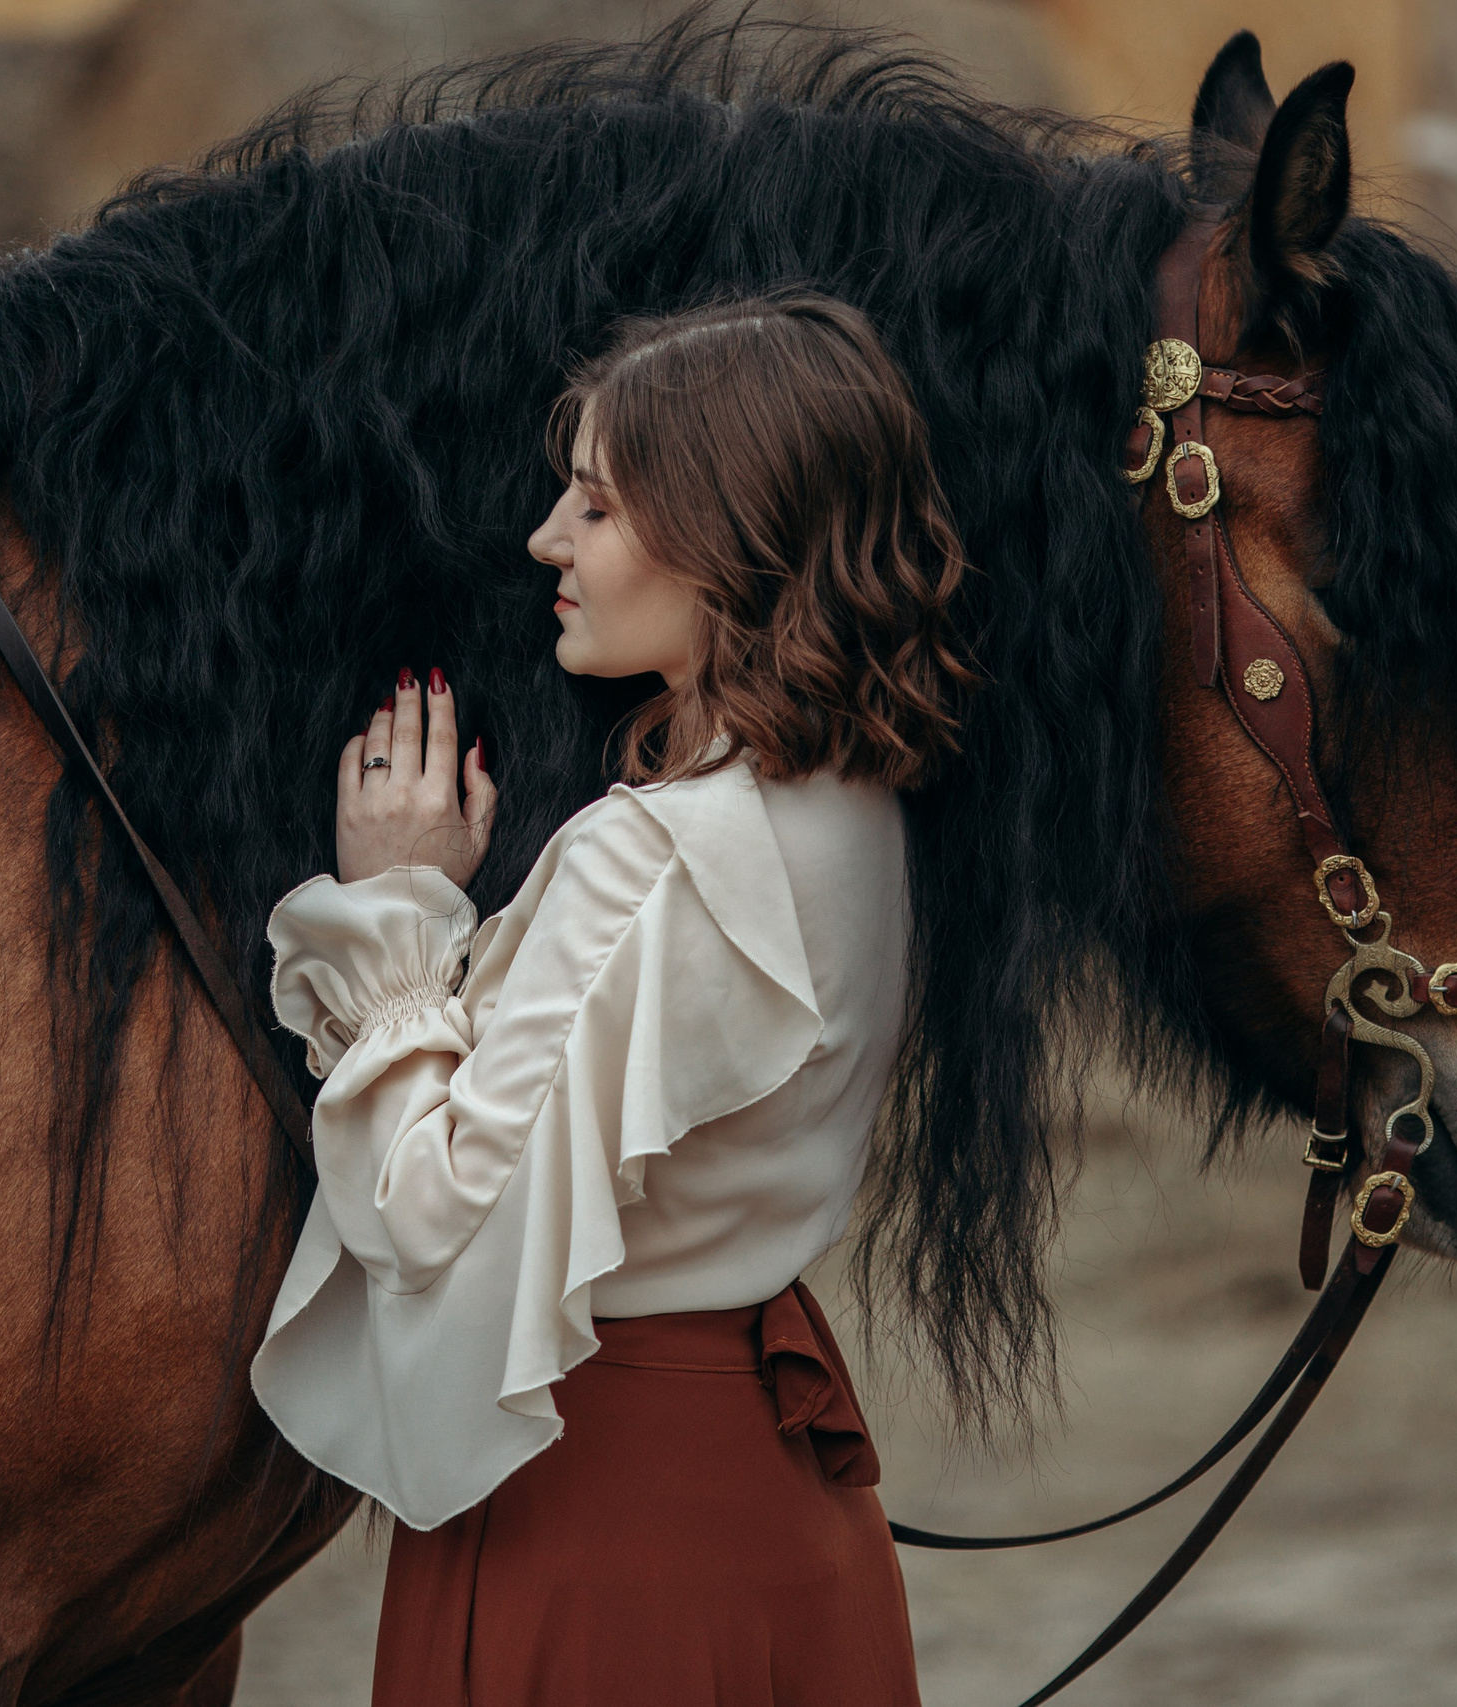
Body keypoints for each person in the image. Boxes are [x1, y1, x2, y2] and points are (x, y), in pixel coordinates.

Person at [252, 292, 974, 1705]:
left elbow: (426, 1217)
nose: (546, 539)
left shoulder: (649, 857)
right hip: (777, 1506)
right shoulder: (862, 811)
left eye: (594, 505)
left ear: (724, 534)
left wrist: (398, 905)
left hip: (599, 1531)